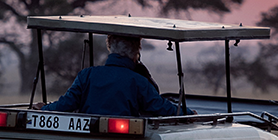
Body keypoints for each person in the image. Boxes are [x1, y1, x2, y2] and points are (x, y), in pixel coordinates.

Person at [38, 35, 192, 117]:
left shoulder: (87, 75)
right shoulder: (138, 81)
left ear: (110, 48)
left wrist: (44, 109)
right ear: (135, 53)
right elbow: (160, 107)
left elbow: (66, 104)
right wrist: (189, 114)